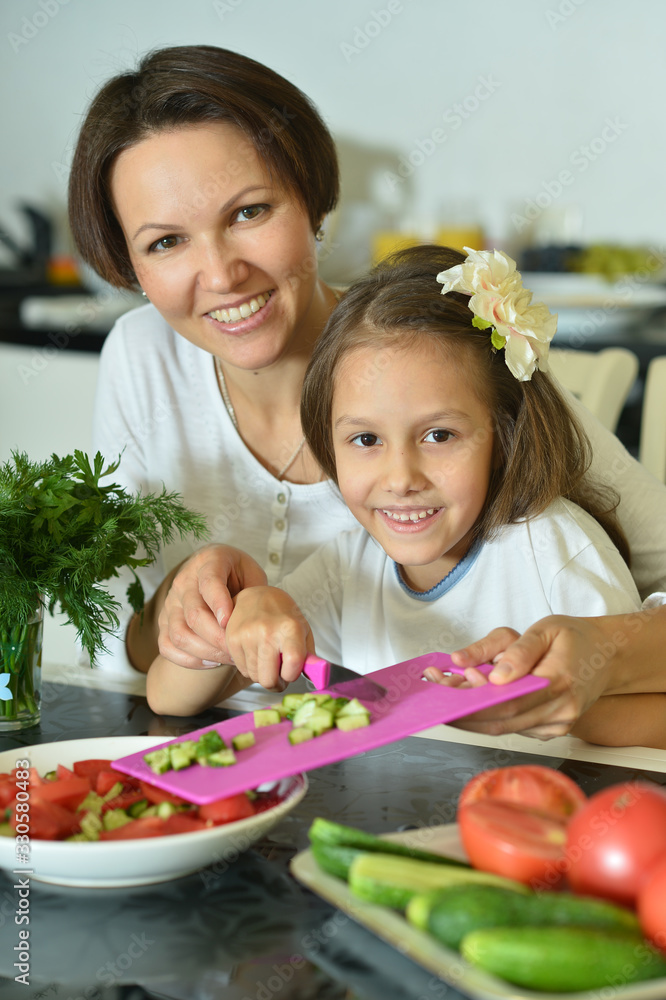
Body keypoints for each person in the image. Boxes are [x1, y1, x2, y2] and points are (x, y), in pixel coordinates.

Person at [69, 45, 666, 737]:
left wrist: (609, 656)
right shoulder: (142, 358)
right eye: (166, 242)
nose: (222, 274)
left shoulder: (445, 353)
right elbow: (124, 649)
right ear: (129, 264)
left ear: (313, 202)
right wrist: (190, 603)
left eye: (249, 212)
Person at [145, 245, 651, 750]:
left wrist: (543, 709)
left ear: (504, 434)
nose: (401, 478)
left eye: (439, 436)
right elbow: (169, 697)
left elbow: (632, 729)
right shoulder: (349, 569)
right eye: (366, 440)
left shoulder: (557, 554)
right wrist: (247, 616)